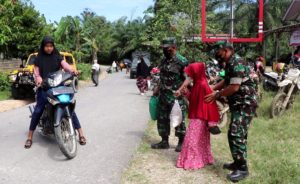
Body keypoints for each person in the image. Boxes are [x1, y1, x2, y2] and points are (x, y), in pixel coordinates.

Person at [205, 46, 258, 182]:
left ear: (225, 50)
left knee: (236, 133)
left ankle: (242, 169)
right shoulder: (230, 63)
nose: (217, 55)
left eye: (218, 53)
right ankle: (237, 162)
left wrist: (217, 94)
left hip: (245, 103)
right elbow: (227, 81)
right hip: (238, 103)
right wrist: (212, 88)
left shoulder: (237, 62)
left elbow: (235, 87)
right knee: (235, 133)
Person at [24, 36, 87, 149]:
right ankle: (29, 137)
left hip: (58, 86)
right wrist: (39, 81)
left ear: (53, 46)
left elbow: (65, 66)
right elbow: (37, 74)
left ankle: (81, 133)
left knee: (69, 107)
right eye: (47, 46)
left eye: (51, 46)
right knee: (38, 110)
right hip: (45, 87)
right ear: (43, 47)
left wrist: (73, 71)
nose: (49, 48)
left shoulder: (57, 56)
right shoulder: (38, 59)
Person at [175, 62, 220, 170]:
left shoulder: (203, 85)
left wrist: (211, 122)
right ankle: (202, 159)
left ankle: (192, 161)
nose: (189, 77)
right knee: (200, 140)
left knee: (192, 140)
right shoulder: (198, 83)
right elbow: (194, 100)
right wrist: (186, 93)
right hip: (199, 116)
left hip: (200, 118)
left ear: (197, 73)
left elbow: (210, 102)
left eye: (190, 75)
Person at [151, 38, 188, 152]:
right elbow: (161, 76)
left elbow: (188, 79)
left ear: (174, 47)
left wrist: (182, 90)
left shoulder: (182, 61)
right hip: (163, 95)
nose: (164, 50)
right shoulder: (163, 61)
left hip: (176, 96)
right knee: (162, 119)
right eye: (163, 48)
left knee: (178, 119)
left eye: (167, 48)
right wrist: (157, 88)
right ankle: (164, 141)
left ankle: (181, 142)